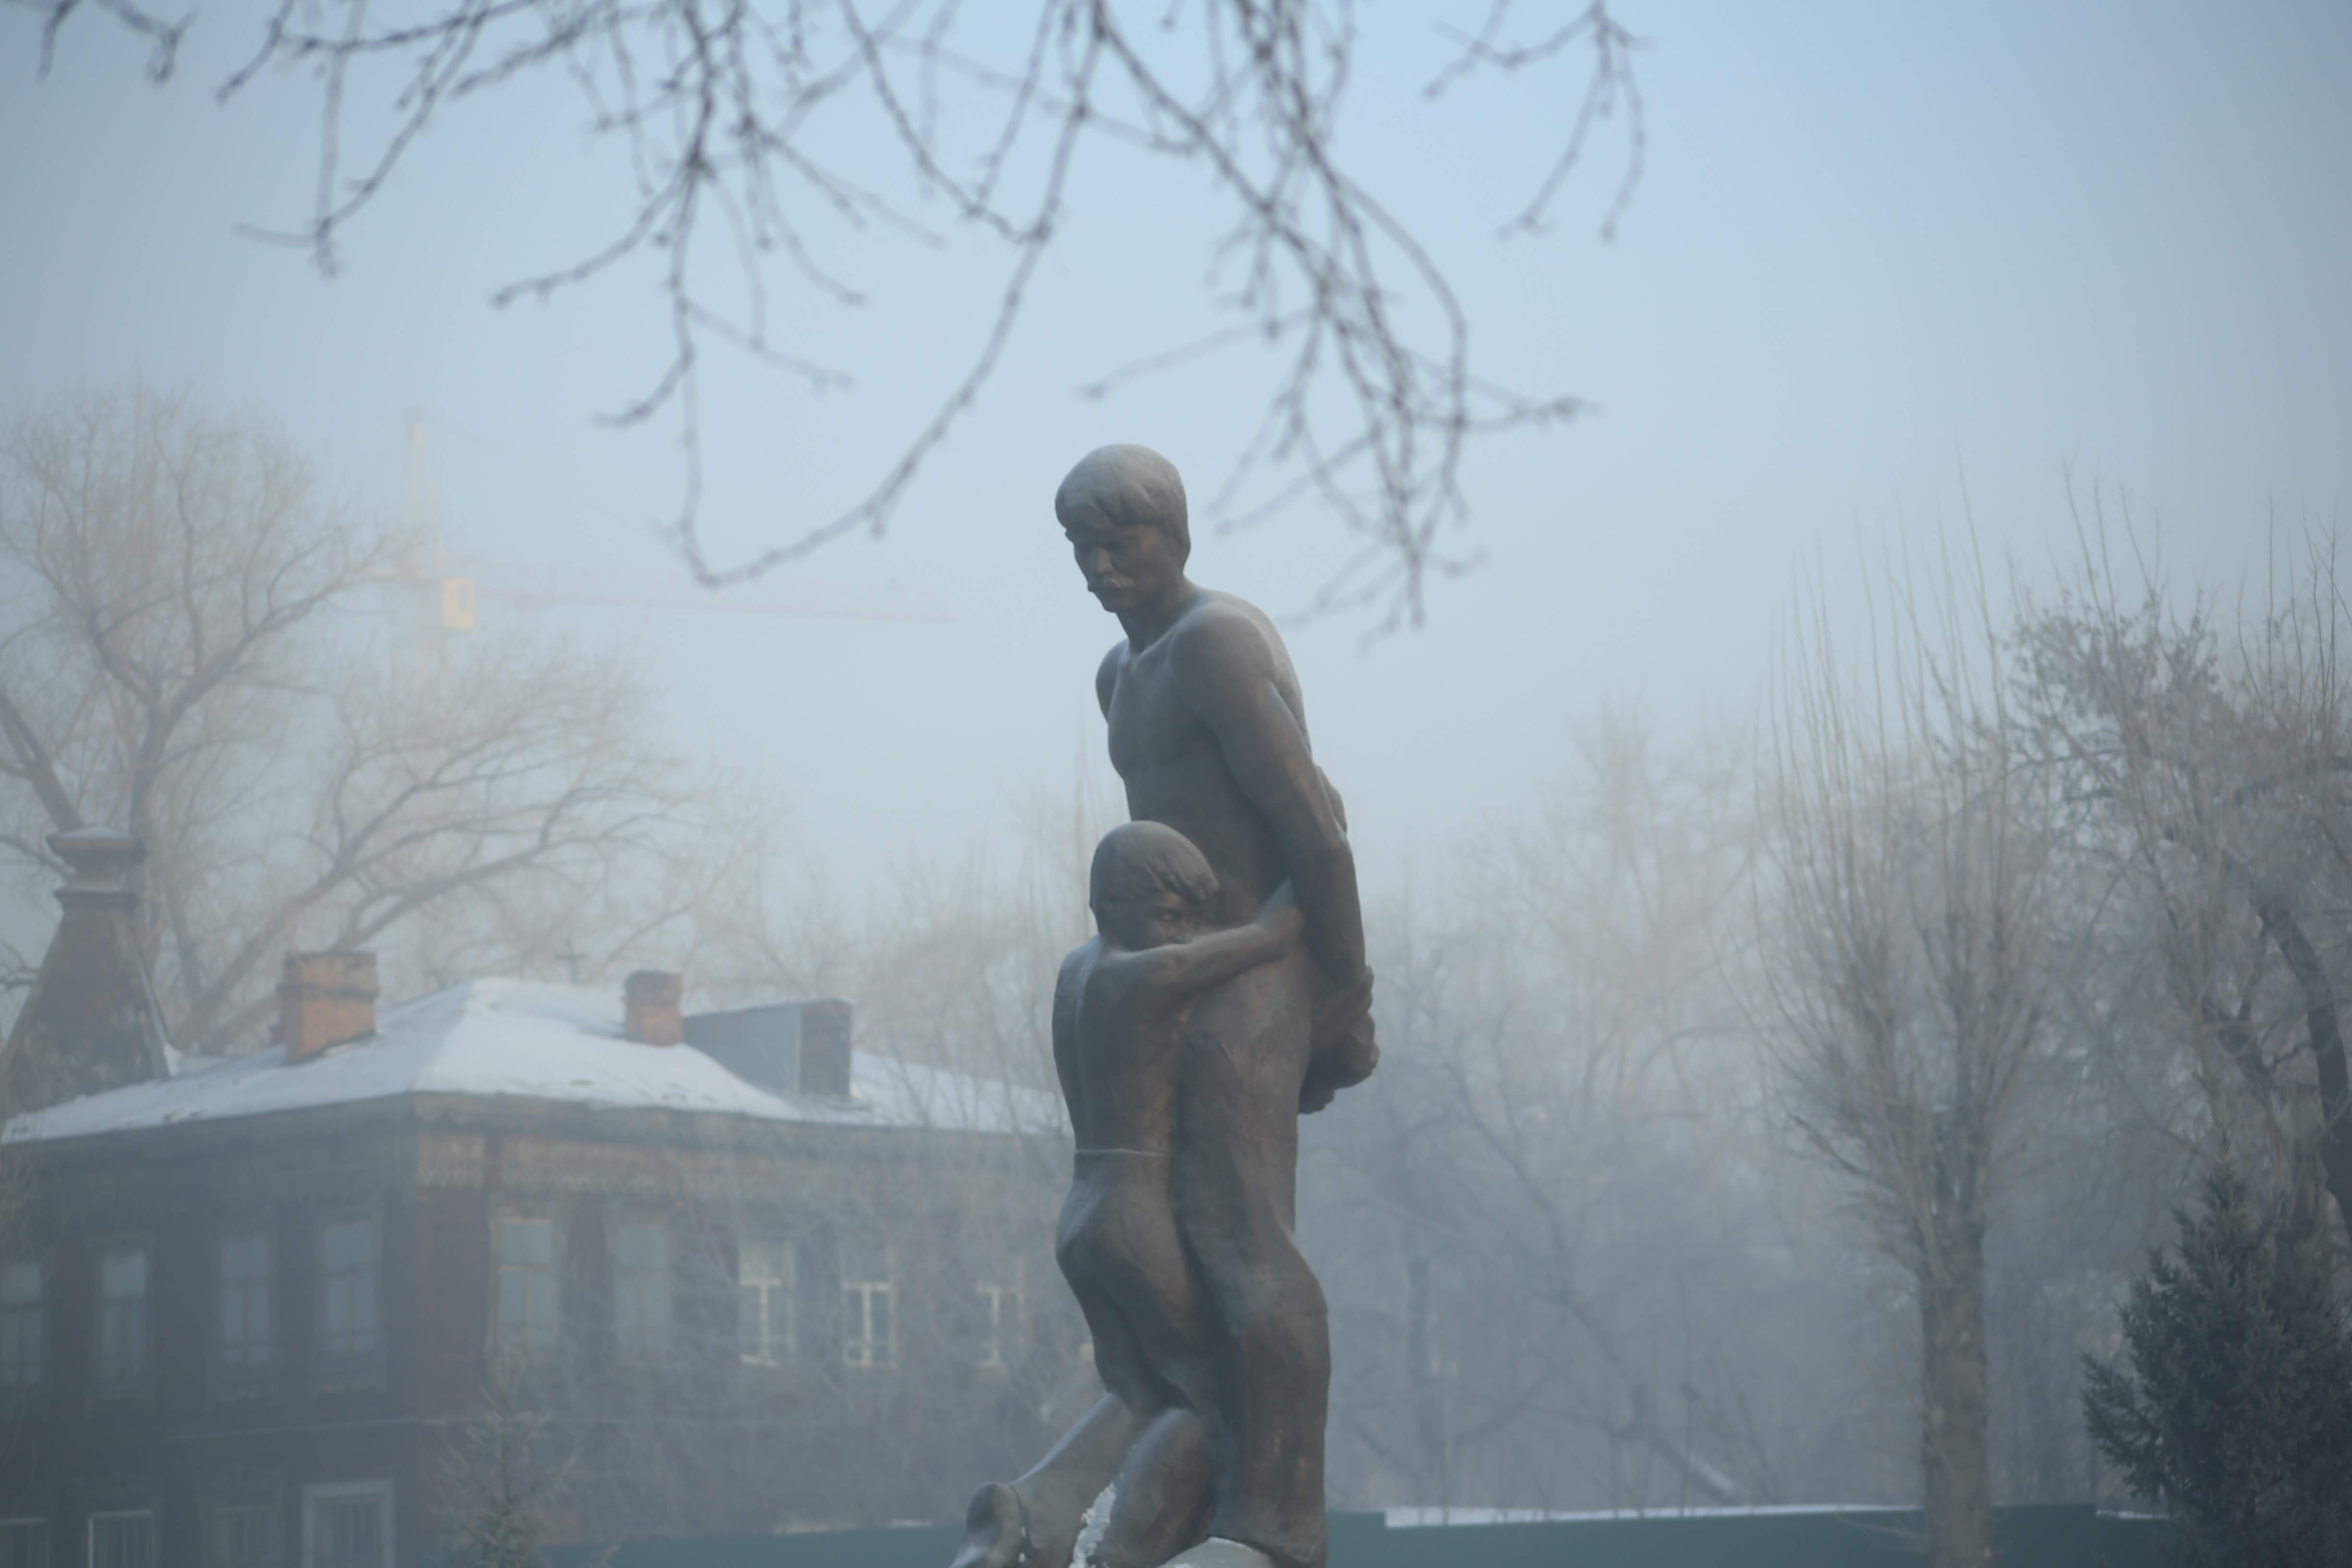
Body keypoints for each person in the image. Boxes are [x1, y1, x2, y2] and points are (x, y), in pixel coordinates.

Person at [951, 444, 1372, 1568]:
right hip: (1174, 974)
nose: (1099, 564)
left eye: (1120, 539)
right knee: (1177, 1297)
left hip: (1254, 977)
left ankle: (1271, 1524)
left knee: (1243, 1246)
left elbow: (1318, 833)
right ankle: (1079, 1515)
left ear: (1175, 533)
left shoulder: (1215, 644)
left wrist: (1345, 996)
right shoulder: (1121, 674)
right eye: (1081, 546)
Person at [1050, 822, 1304, 1566]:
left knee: (1135, 1400)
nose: (1183, 935)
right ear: (1111, 904)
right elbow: (1271, 935)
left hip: (1081, 1213)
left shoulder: (1074, 971)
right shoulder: (1140, 975)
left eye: (1191, 920)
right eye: (1168, 916)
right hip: (1134, 1212)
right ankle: (1122, 1549)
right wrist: (1315, 852)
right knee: (1209, 1401)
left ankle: (1025, 1509)